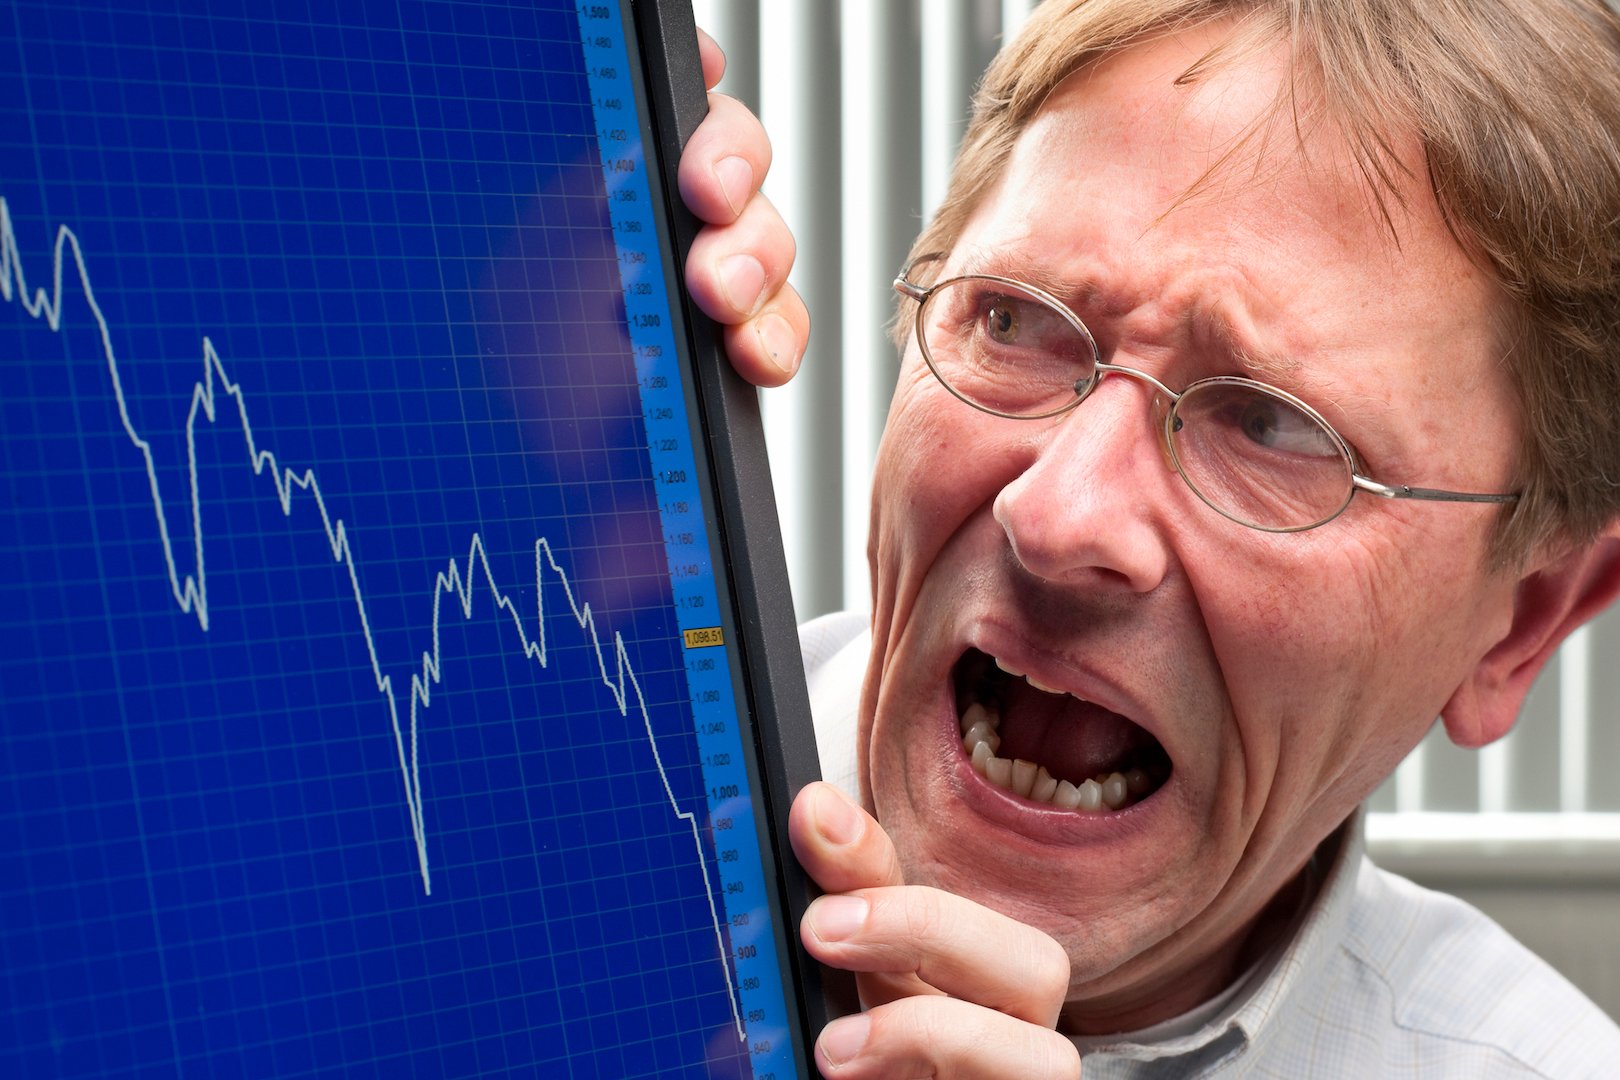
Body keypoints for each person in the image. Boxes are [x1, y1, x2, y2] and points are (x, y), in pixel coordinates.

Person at [680, 2, 1620, 1076]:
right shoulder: (507, 815)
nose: (1056, 516)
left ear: (1526, 622)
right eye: (1014, 320)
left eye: (1272, 425)